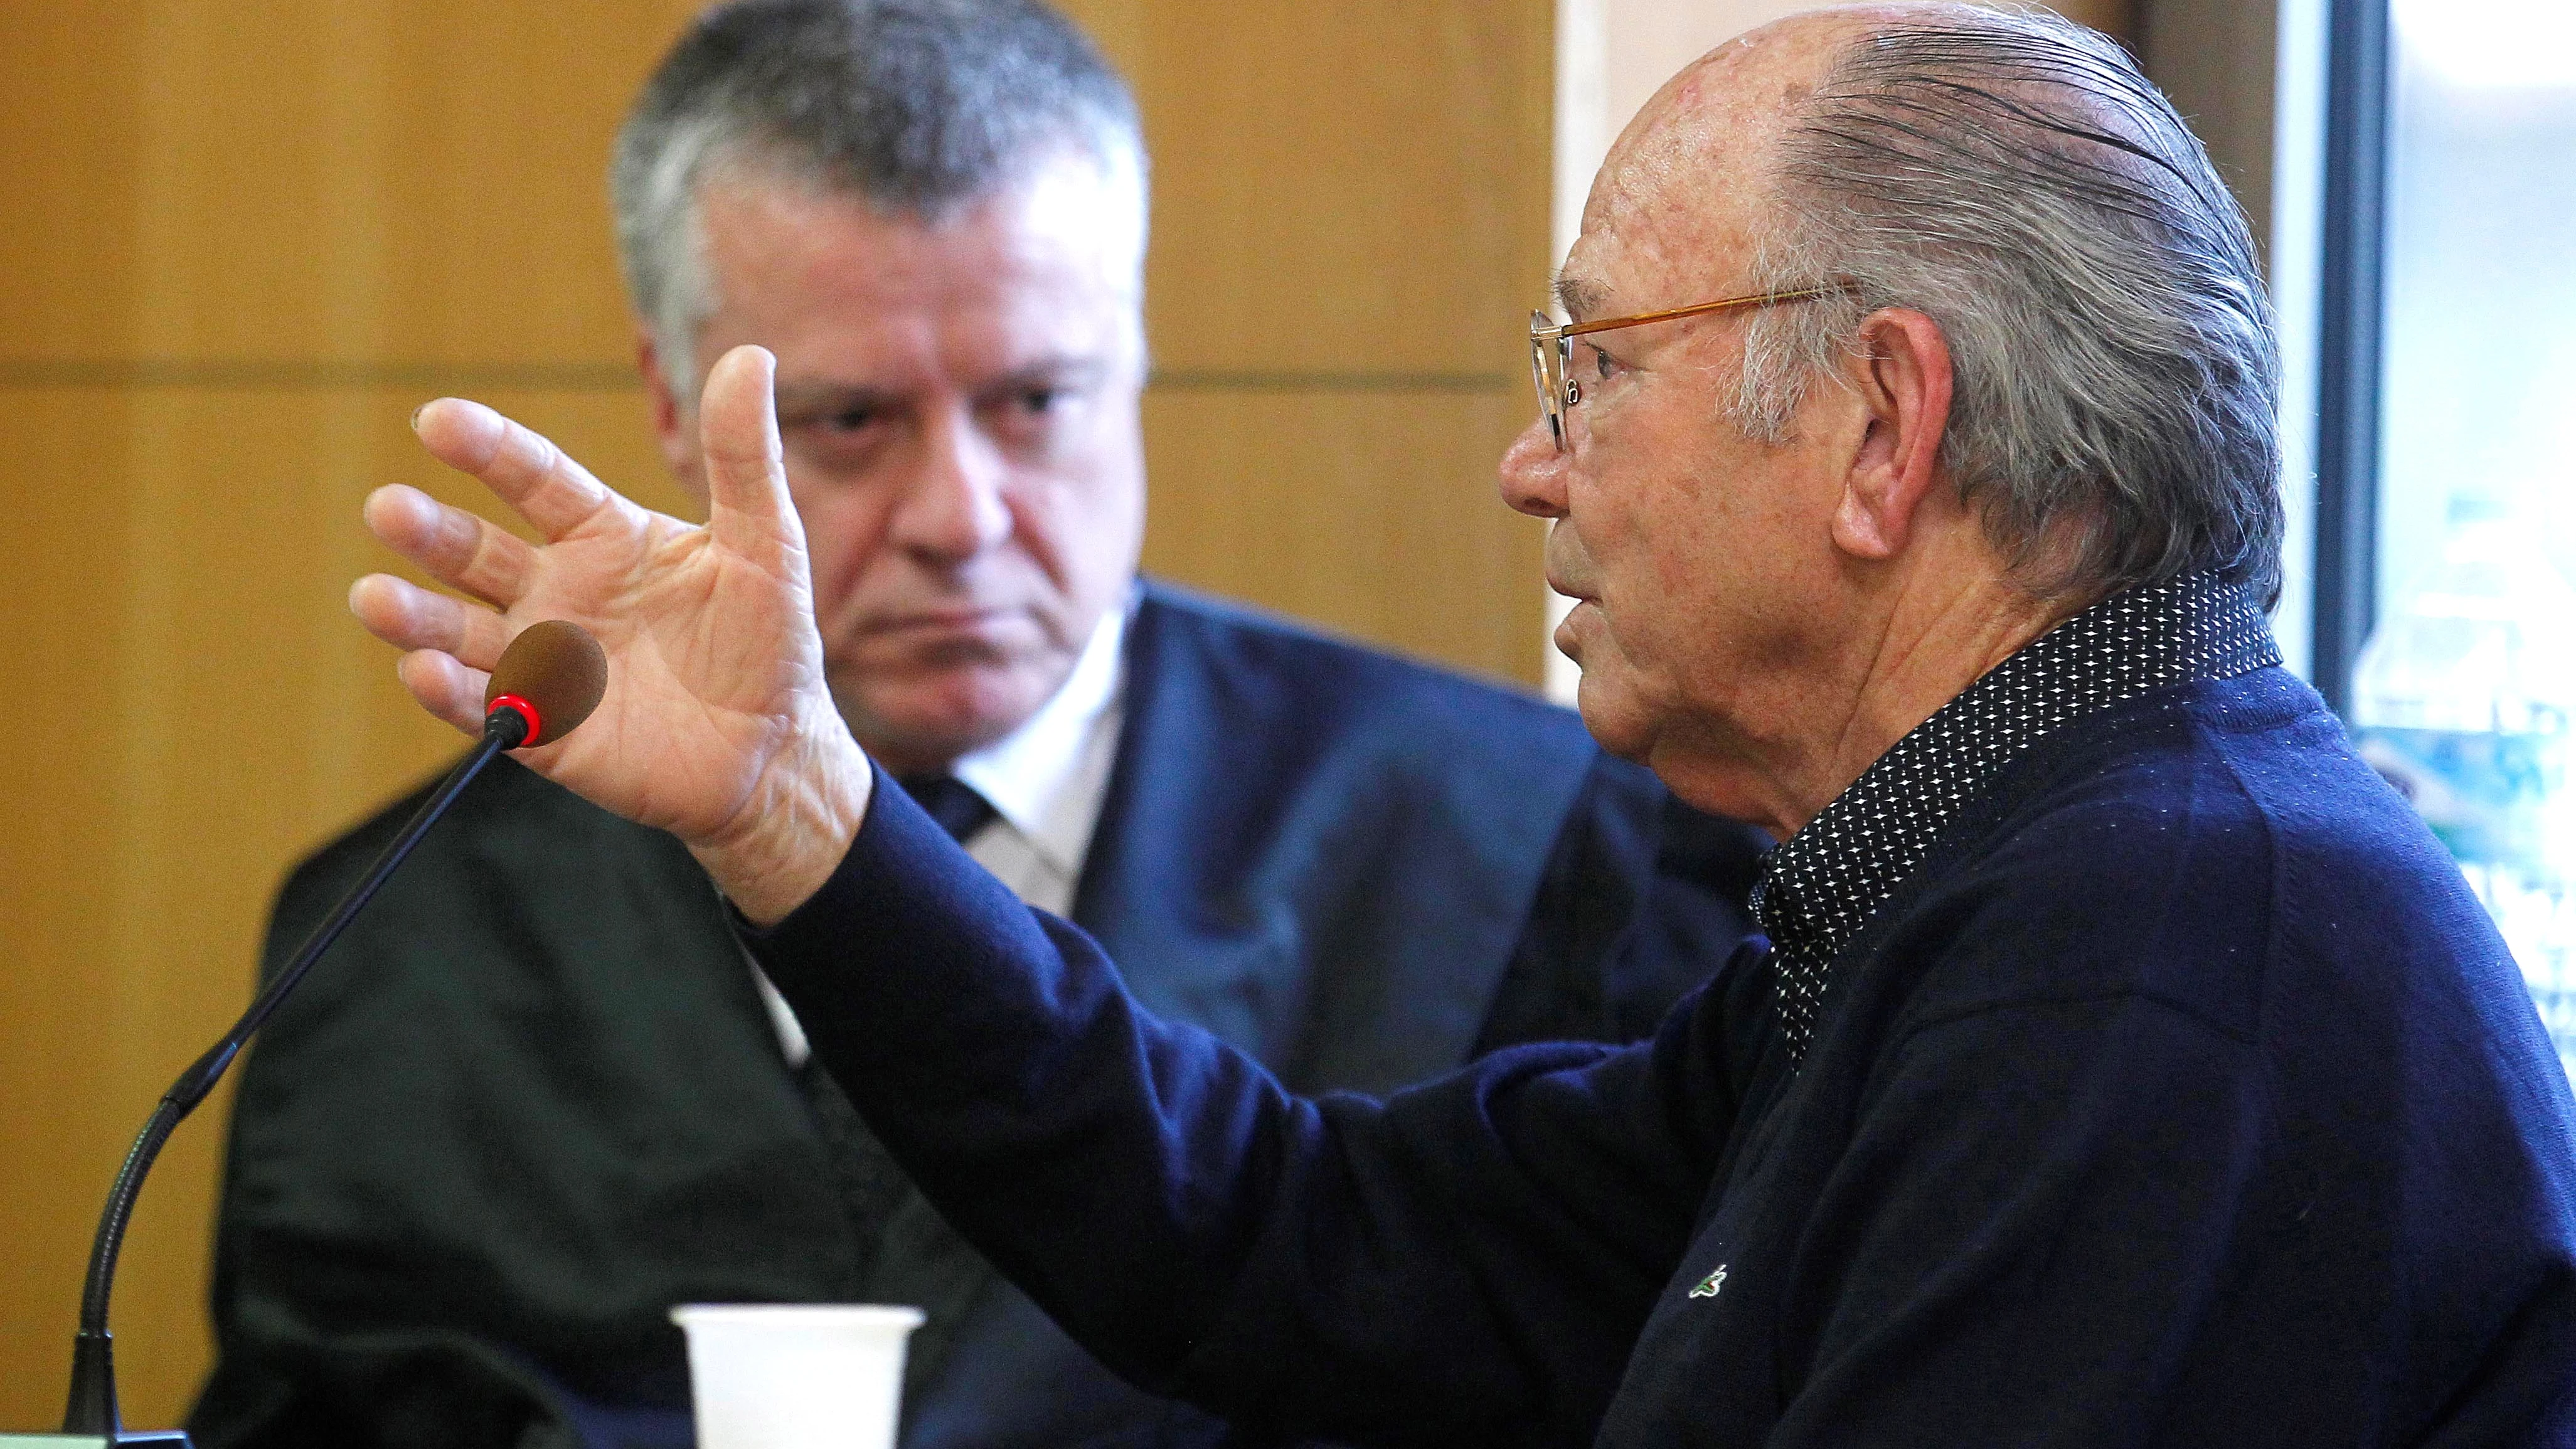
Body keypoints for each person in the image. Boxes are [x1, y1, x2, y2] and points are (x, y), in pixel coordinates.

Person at [332, 2, 2576, 1445]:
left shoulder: (2178, 957)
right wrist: (797, 803)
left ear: (1881, 429)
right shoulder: (2003, 901)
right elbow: (1294, 1244)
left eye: (1592, 364)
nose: (1532, 462)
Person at [189, 3, 1762, 1446]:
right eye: (853, 421)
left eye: (1036, 402)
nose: (961, 516)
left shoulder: (1550, 846)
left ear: (1133, 356)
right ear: (672, 404)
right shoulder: (396, 941)